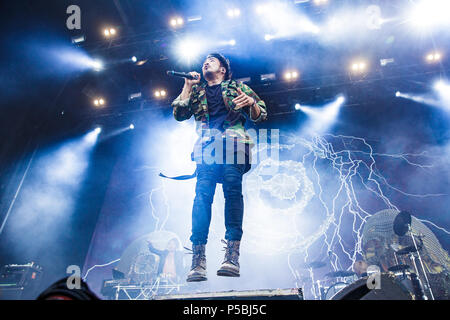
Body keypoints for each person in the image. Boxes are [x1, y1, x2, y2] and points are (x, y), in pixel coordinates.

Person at [171, 53, 267, 282]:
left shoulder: (237, 87)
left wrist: (252, 103)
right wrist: (187, 85)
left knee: (233, 191)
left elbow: (261, 114)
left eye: (212, 61)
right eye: (204, 60)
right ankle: (198, 260)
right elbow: (179, 114)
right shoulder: (196, 92)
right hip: (206, 147)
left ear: (223, 69)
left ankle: (232, 256)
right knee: (202, 197)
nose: (206, 62)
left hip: (234, 144)